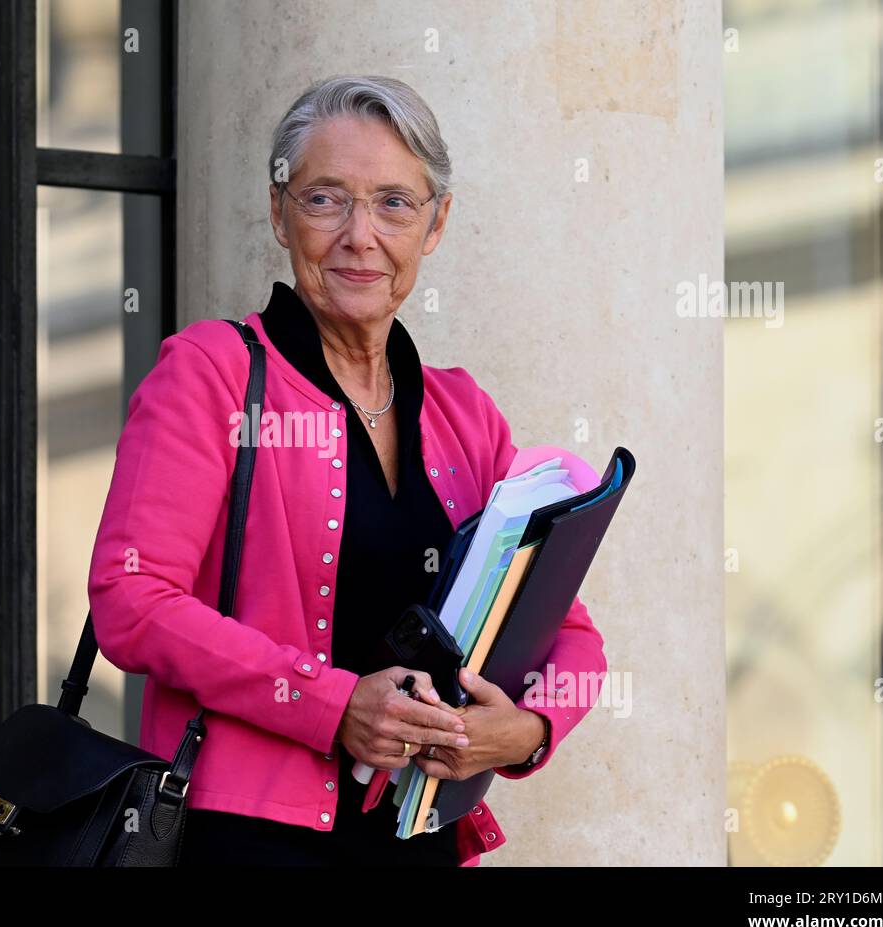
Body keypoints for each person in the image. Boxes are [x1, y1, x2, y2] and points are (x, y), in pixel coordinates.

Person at [87, 74, 606, 867]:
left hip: (416, 841)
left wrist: (526, 729)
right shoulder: (212, 373)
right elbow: (131, 598)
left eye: (395, 203)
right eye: (326, 198)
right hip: (246, 845)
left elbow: (571, 635)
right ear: (279, 210)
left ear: (436, 224)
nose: (361, 236)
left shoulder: (464, 413)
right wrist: (330, 704)